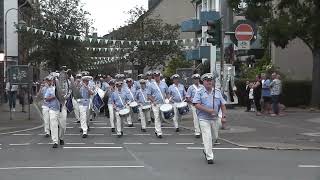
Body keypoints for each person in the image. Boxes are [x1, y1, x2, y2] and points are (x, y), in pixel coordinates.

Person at [193, 73, 227, 164]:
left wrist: (223, 117)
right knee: (207, 137)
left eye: (210, 80)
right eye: (207, 80)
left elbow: (223, 105)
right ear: (203, 82)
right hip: (203, 119)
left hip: (215, 118)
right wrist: (208, 110)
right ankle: (209, 156)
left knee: (215, 137)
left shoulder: (217, 91)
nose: (209, 82)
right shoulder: (199, 92)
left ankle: (206, 150)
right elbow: (196, 104)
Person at [147, 70, 169, 138]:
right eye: (155, 76)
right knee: (157, 117)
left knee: (162, 117)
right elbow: (148, 95)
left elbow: (167, 92)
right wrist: (153, 101)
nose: (157, 77)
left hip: (163, 103)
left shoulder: (164, 84)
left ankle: (156, 130)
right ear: (154, 77)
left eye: (158, 76)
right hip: (155, 104)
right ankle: (159, 132)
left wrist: (167, 99)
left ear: (160, 76)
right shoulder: (151, 85)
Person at [43, 76, 61, 148]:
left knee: (62, 127)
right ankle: (55, 141)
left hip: (61, 109)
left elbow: (65, 97)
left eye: (51, 80)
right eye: (49, 81)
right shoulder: (49, 89)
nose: (50, 82)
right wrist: (53, 97)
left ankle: (61, 137)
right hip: (52, 109)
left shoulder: (61, 89)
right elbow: (46, 99)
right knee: (53, 125)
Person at [186, 73, 204, 138]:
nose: (196, 80)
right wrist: (192, 101)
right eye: (195, 79)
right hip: (194, 105)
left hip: (201, 105)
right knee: (196, 118)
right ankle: (197, 132)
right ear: (193, 80)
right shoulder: (191, 88)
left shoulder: (202, 87)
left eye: (197, 79)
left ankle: (202, 130)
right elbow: (188, 97)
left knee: (202, 118)